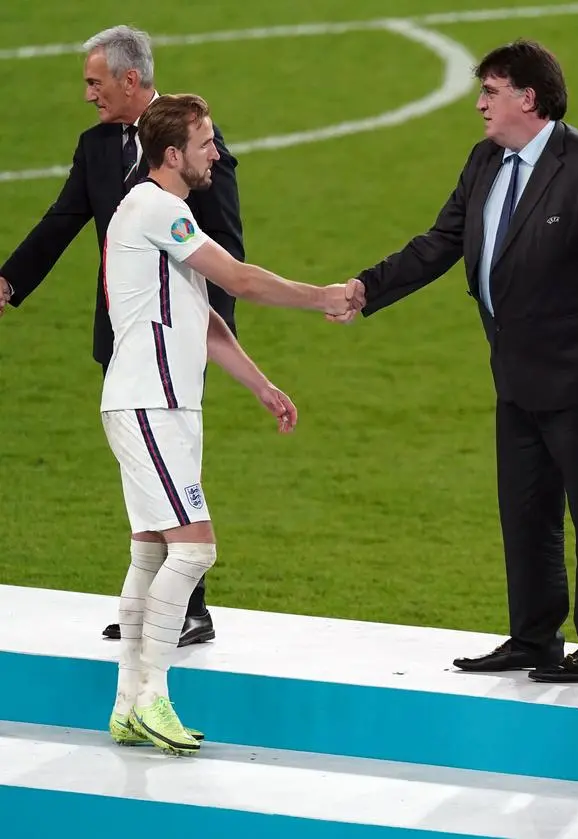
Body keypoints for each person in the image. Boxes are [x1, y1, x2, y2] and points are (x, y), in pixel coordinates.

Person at [335, 39, 578, 684]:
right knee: (526, 512)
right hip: (517, 376)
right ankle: (535, 638)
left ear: (527, 99)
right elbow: (442, 242)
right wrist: (369, 289)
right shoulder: (486, 161)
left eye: (491, 92)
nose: (479, 104)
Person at [100, 93, 358, 753]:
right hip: (150, 400)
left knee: (152, 550)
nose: (217, 152)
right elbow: (239, 281)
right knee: (195, 547)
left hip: (159, 401)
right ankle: (154, 693)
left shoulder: (158, 214)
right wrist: (321, 295)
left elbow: (207, 317)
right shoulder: (158, 209)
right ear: (172, 154)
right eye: (207, 142)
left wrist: (262, 384)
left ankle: (129, 703)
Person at [0, 25, 245, 647]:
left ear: (129, 80)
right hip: (122, 334)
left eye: (95, 81)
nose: (89, 94)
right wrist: (8, 283)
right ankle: (150, 606)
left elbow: (225, 245)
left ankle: (189, 609)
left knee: (177, 463)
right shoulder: (96, 149)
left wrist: (216, 340)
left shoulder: (196, 145)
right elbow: (61, 220)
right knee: (144, 468)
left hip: (179, 341)